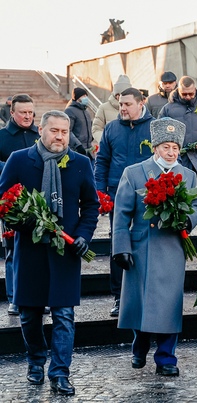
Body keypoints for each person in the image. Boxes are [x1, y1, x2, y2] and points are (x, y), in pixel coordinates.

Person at [0, 110, 99, 395]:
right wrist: (23, 220)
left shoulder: (80, 163)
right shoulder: (20, 160)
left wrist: (82, 236)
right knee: (30, 315)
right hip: (30, 252)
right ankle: (35, 362)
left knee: (64, 315)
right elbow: (3, 201)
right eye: (54, 130)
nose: (59, 136)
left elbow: (91, 205)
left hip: (65, 254)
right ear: (41, 129)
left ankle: (59, 373)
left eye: (64, 132)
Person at [112, 117, 197, 377]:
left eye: (175, 148)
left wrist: (188, 219)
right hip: (142, 248)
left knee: (170, 304)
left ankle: (166, 357)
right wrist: (122, 248)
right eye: (166, 147)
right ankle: (139, 345)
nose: (171, 152)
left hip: (172, 247)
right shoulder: (134, 172)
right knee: (140, 303)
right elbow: (121, 214)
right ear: (155, 147)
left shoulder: (188, 175)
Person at [95, 87, 154, 317]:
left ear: (141, 103)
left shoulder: (154, 127)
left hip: (149, 195)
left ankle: (145, 293)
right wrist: (100, 192)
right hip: (117, 194)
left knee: (146, 243)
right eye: (120, 104)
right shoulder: (111, 128)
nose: (122, 108)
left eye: (127, 104)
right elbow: (102, 162)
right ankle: (119, 297)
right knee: (118, 243)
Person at [159, 76, 197, 218]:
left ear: (195, 90)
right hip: (179, 156)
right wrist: (171, 146)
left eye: (191, 94)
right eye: (184, 94)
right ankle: (181, 219)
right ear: (178, 91)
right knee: (180, 186)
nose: (188, 97)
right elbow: (160, 128)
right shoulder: (168, 108)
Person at [0, 94, 39, 316]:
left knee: (38, 250)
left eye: (30, 112)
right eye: (22, 112)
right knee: (13, 252)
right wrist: (12, 165)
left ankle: (36, 297)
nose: (27, 116)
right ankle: (15, 298)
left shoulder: (40, 134)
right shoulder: (2, 137)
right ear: (12, 113)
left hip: (39, 202)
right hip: (12, 204)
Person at [91, 75, 131, 145]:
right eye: (120, 94)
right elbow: (96, 129)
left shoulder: (133, 108)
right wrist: (105, 142)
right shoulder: (103, 108)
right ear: (116, 94)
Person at [64, 88, 94, 158]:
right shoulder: (69, 111)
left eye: (86, 96)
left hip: (89, 150)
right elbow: (68, 130)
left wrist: (91, 137)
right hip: (76, 150)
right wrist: (78, 145)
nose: (86, 98)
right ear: (77, 97)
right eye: (83, 96)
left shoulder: (86, 112)